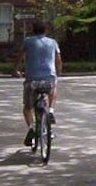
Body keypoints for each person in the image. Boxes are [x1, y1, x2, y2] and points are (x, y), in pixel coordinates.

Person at [13, 19, 63, 147]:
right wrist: (58, 72)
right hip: (48, 80)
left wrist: (16, 70)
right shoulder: (53, 43)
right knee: (54, 84)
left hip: (32, 81)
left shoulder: (28, 42)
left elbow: (19, 57)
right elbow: (58, 60)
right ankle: (51, 110)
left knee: (27, 108)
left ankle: (31, 129)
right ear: (46, 30)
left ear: (33, 30)